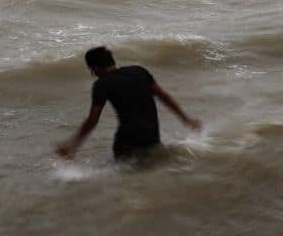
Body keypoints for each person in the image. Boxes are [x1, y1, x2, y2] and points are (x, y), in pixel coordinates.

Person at [56, 46, 201, 161]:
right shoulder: (139, 71)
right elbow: (164, 96)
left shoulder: (101, 84)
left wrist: (72, 145)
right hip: (151, 137)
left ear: (94, 68)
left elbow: (92, 121)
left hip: (127, 143)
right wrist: (185, 118)